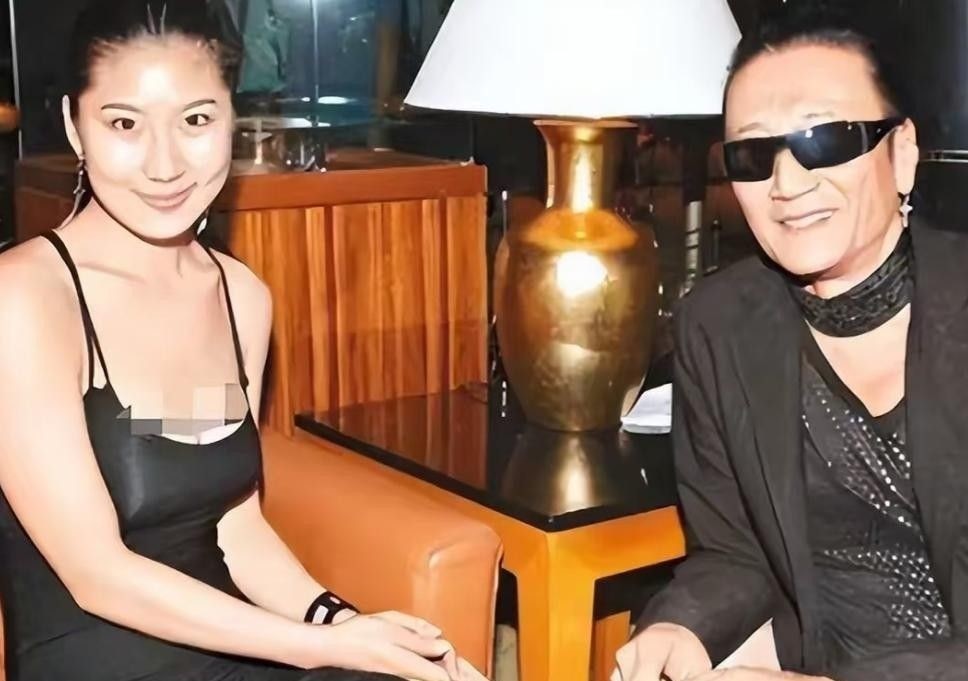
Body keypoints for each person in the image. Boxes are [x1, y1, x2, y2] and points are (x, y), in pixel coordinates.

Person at [0, 2, 481, 680]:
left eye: (196, 120)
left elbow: (236, 528)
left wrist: (343, 622)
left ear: (234, 118)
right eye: (124, 124)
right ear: (75, 127)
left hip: (236, 648)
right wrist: (324, 648)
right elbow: (96, 573)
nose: (165, 165)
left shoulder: (239, 298)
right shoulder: (26, 300)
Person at [614, 5, 968, 681]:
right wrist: (680, 625)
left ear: (902, 153)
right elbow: (733, 551)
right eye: (753, 155)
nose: (787, 184)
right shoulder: (718, 324)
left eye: (825, 139)